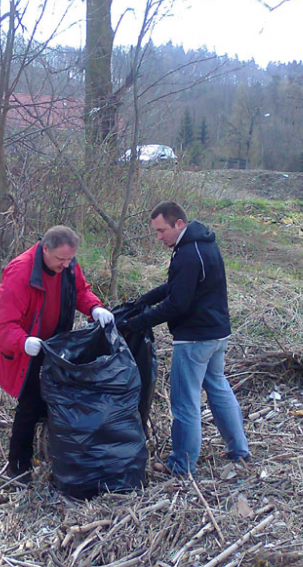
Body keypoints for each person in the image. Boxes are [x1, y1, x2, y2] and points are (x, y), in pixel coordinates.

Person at [119, 201, 249, 475]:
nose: (159, 237)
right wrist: (146, 299)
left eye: (161, 230)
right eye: (156, 231)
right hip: (217, 334)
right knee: (218, 387)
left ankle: (181, 464)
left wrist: (135, 323)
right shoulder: (203, 244)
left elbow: (178, 304)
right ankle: (239, 450)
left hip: (194, 339)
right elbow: (178, 285)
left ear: (179, 224)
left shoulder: (188, 253)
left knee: (184, 401)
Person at [0, 225, 115, 483]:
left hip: (58, 345)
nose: (65, 265)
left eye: (70, 259)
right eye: (60, 259)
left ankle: (57, 457)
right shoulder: (19, 272)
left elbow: (80, 290)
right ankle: (18, 467)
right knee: (30, 405)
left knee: (59, 399)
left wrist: (94, 307)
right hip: (27, 347)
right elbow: (3, 326)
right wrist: (24, 342)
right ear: (45, 249)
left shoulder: (68, 264)